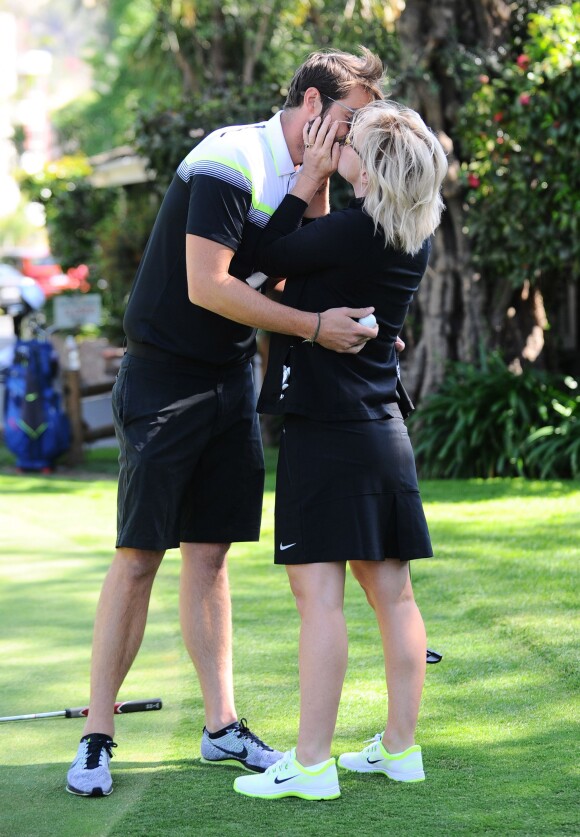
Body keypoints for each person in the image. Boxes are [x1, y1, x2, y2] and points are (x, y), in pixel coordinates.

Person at [65, 49, 386, 798]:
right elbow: (209, 286)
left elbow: (294, 267)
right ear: (312, 105)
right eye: (348, 119)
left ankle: (221, 728)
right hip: (162, 378)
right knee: (140, 554)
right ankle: (97, 734)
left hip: (228, 380)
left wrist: (315, 190)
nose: (354, 135)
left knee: (209, 558)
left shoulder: (310, 174)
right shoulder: (229, 159)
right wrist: (311, 326)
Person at [232, 100, 448, 801]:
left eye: (348, 141)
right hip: (382, 429)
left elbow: (257, 256)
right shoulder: (405, 235)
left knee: (318, 597)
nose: (337, 145)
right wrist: (327, 174)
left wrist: (305, 179)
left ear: (370, 165)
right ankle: (399, 748)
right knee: (394, 595)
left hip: (327, 429)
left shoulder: (353, 232)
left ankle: (313, 762)